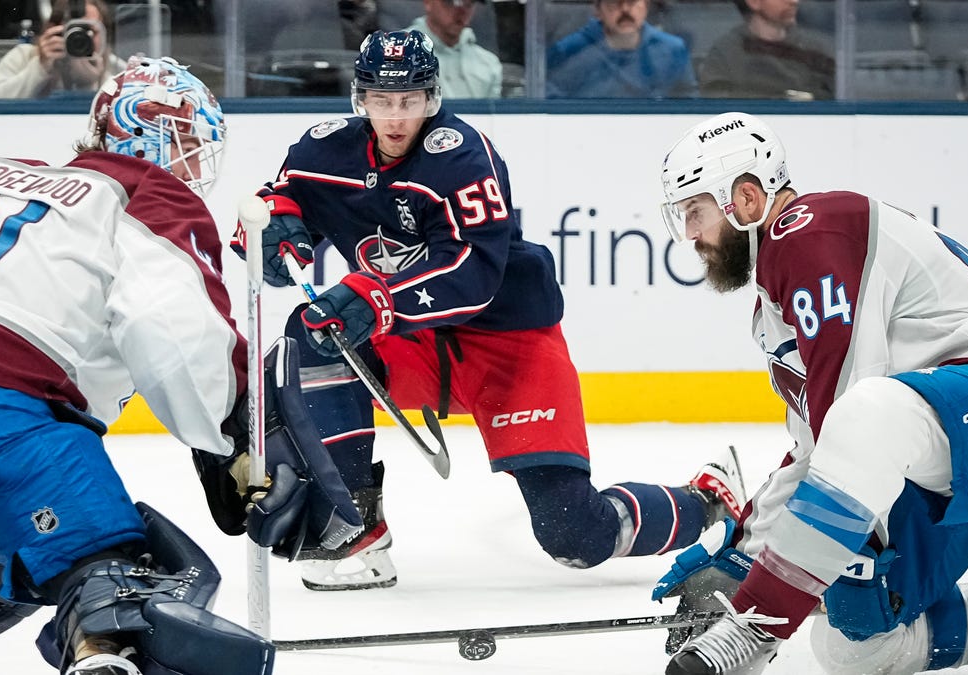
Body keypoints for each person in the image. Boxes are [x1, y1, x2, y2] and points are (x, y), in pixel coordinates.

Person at [0, 55, 361, 675]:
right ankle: (107, 657)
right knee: (120, 583)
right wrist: (232, 431)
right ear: (175, 142)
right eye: (198, 147)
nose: (200, 166)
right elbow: (169, 324)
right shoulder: (151, 198)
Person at [231, 28, 744, 592]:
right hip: (413, 339)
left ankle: (707, 500)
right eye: (381, 101)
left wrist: (374, 296)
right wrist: (275, 230)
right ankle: (354, 527)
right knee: (310, 335)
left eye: (410, 101)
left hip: (509, 345)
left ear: (432, 99)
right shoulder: (322, 149)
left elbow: (474, 274)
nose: (396, 117)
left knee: (574, 536)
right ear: (361, 99)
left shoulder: (462, 155)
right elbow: (279, 200)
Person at [656, 111, 968, 675]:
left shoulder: (809, 231)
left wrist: (757, 596)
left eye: (696, 211)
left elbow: (852, 412)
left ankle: (752, 633)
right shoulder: (773, 307)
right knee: (854, 639)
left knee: (865, 418)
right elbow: (822, 450)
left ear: (745, 199)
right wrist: (743, 551)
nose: (690, 234)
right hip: (953, 453)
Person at [546, 0, 696, 99]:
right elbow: (551, 101)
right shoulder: (569, 50)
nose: (625, 10)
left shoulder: (672, 49)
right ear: (598, 10)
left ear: (645, 6)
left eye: (632, 2)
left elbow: (688, 101)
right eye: (614, 2)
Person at [0, 0, 121, 99]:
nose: (79, 37)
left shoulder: (116, 67)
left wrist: (90, 84)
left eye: (89, 30)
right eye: (73, 29)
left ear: (104, 34)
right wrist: (40, 67)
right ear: (54, 29)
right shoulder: (24, 56)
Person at [699, 0, 834, 100]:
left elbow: (832, 97)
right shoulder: (727, 50)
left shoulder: (815, 49)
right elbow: (714, 99)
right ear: (754, 2)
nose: (794, 1)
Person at [404, 0, 501, 99]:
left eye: (469, 4)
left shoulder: (489, 64)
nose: (462, 11)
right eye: (451, 2)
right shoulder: (397, 52)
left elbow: (494, 113)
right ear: (428, 2)